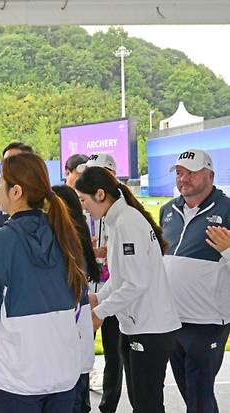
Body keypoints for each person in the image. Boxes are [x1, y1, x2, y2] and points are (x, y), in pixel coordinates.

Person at [0, 152, 87, 412]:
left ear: (17, 191)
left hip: (17, 376)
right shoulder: (66, 235)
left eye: (0, 181)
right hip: (64, 372)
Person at [76, 166, 181, 413]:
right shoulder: (117, 221)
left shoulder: (127, 222)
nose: (83, 207)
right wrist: (98, 297)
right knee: (141, 402)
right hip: (136, 326)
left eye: (84, 200)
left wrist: (99, 313)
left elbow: (136, 282)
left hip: (150, 328)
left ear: (100, 194)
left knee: (147, 404)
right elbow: (121, 276)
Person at [159, 149, 230, 413]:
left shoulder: (227, 209)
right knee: (190, 393)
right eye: (179, 172)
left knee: (199, 396)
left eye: (191, 172)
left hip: (208, 322)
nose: (183, 178)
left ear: (210, 175)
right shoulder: (167, 210)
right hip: (172, 319)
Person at [75, 153, 122, 409]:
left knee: (115, 355)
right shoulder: (80, 208)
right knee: (80, 351)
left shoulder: (126, 213)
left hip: (116, 293)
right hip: (86, 291)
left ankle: (109, 407)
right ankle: (81, 405)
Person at [52, 184, 101, 413]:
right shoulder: (73, 237)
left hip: (70, 333)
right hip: (73, 338)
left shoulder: (67, 242)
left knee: (73, 397)